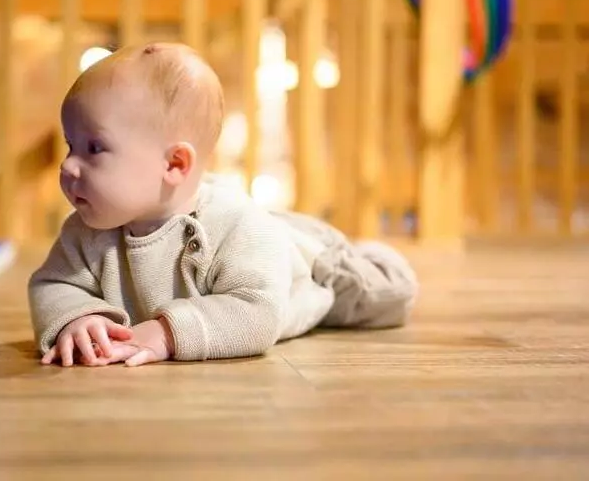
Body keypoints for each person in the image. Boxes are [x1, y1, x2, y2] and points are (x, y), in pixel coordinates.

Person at [27, 42, 418, 367]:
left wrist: (167, 333)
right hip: (266, 242)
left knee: (388, 294)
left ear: (174, 164)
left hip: (311, 266)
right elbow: (54, 283)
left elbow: (259, 313)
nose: (68, 165)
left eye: (94, 148)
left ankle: (371, 253)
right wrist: (78, 317)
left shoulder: (236, 226)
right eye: (70, 145)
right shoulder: (85, 232)